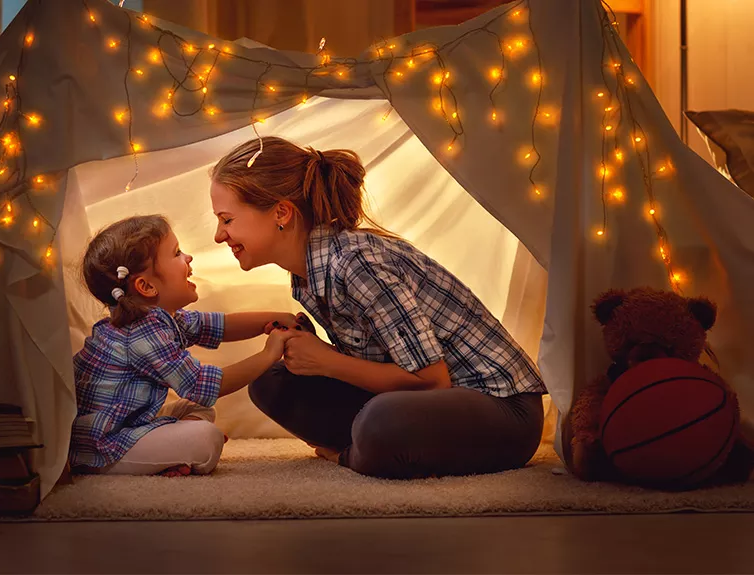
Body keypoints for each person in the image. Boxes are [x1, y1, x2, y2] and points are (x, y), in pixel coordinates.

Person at [208, 136, 548, 479]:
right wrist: (315, 355)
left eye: (227, 219)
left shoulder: (357, 263)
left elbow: (432, 381)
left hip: (501, 411)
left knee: (382, 421)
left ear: (281, 213)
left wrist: (327, 361)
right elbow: (381, 362)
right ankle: (370, 449)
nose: (219, 236)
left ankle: (354, 455)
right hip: (426, 404)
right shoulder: (308, 275)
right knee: (271, 381)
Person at [71, 214, 304, 477]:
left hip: (129, 423)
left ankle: (169, 455)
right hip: (104, 446)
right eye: (177, 252)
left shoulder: (160, 319)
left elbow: (221, 326)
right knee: (206, 439)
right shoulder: (139, 333)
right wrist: (268, 355)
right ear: (146, 286)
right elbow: (202, 385)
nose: (188, 258)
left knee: (197, 410)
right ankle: (172, 453)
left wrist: (276, 318)